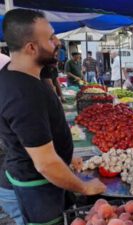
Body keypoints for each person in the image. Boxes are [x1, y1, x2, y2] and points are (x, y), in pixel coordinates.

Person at [0, 9, 106, 225]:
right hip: (36, 188)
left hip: (37, 179)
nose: (57, 42)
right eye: (50, 38)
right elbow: (46, 164)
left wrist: (65, 158)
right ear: (31, 48)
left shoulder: (26, 75)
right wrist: (84, 187)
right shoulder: (23, 95)